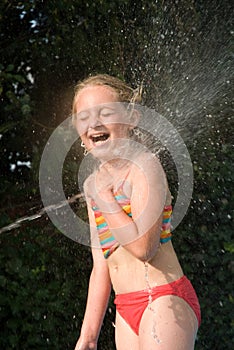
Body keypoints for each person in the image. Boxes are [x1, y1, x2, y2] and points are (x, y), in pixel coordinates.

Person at [72, 74, 201, 350]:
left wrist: (105, 197)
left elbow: (145, 247)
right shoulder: (91, 184)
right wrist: (89, 335)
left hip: (164, 300)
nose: (93, 123)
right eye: (84, 116)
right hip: (126, 309)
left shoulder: (144, 166)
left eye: (104, 113)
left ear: (131, 118)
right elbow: (101, 266)